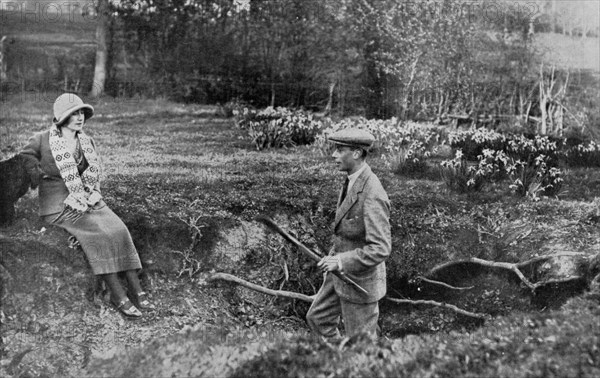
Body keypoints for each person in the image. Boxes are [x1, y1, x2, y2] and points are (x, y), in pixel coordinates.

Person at [19, 93, 154, 318]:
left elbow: (93, 172)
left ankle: (136, 289)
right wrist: (38, 172)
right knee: (99, 235)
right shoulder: (42, 139)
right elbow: (25, 157)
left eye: (82, 112)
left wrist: (93, 193)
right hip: (58, 205)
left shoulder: (86, 141)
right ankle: (117, 294)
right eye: (73, 113)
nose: (79, 117)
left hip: (88, 197)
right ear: (61, 117)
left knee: (118, 230)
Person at [306, 128, 391, 340]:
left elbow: (380, 248)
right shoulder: (352, 180)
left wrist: (341, 261)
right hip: (339, 275)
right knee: (318, 318)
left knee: (362, 344)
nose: (334, 155)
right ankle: (341, 361)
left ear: (356, 153)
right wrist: (335, 259)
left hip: (360, 281)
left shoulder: (373, 193)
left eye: (339, 149)